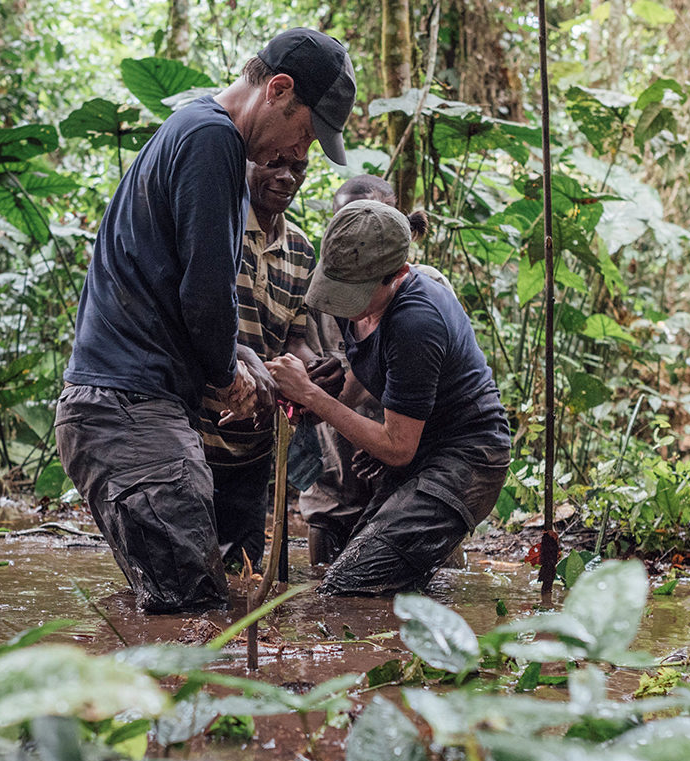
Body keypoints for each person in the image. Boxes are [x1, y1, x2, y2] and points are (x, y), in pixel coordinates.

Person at [56, 29, 356, 613]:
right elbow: (206, 293)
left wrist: (237, 358)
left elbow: (179, 289)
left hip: (124, 408)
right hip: (129, 410)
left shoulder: (195, 128)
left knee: (176, 614)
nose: (300, 153)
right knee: (195, 618)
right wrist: (229, 377)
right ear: (278, 89)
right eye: (305, 133)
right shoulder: (213, 139)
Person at [267, 201, 510, 596]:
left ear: (397, 275)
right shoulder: (359, 302)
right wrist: (316, 397)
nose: (344, 306)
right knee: (361, 570)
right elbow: (365, 382)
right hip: (421, 448)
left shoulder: (417, 320)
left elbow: (398, 448)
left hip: (468, 456)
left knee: (352, 584)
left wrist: (309, 392)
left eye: (354, 294)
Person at [196, 154, 343, 572]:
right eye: (274, 163)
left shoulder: (299, 248)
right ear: (243, 161)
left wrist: (317, 368)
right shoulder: (216, 227)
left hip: (256, 445)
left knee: (253, 582)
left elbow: (292, 340)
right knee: (191, 579)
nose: (287, 177)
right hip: (196, 435)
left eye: (298, 167)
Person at [299, 176, 442, 566]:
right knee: (324, 602)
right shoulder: (320, 291)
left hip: (408, 480)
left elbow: (441, 387)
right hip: (336, 485)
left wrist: (393, 449)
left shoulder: (424, 290)